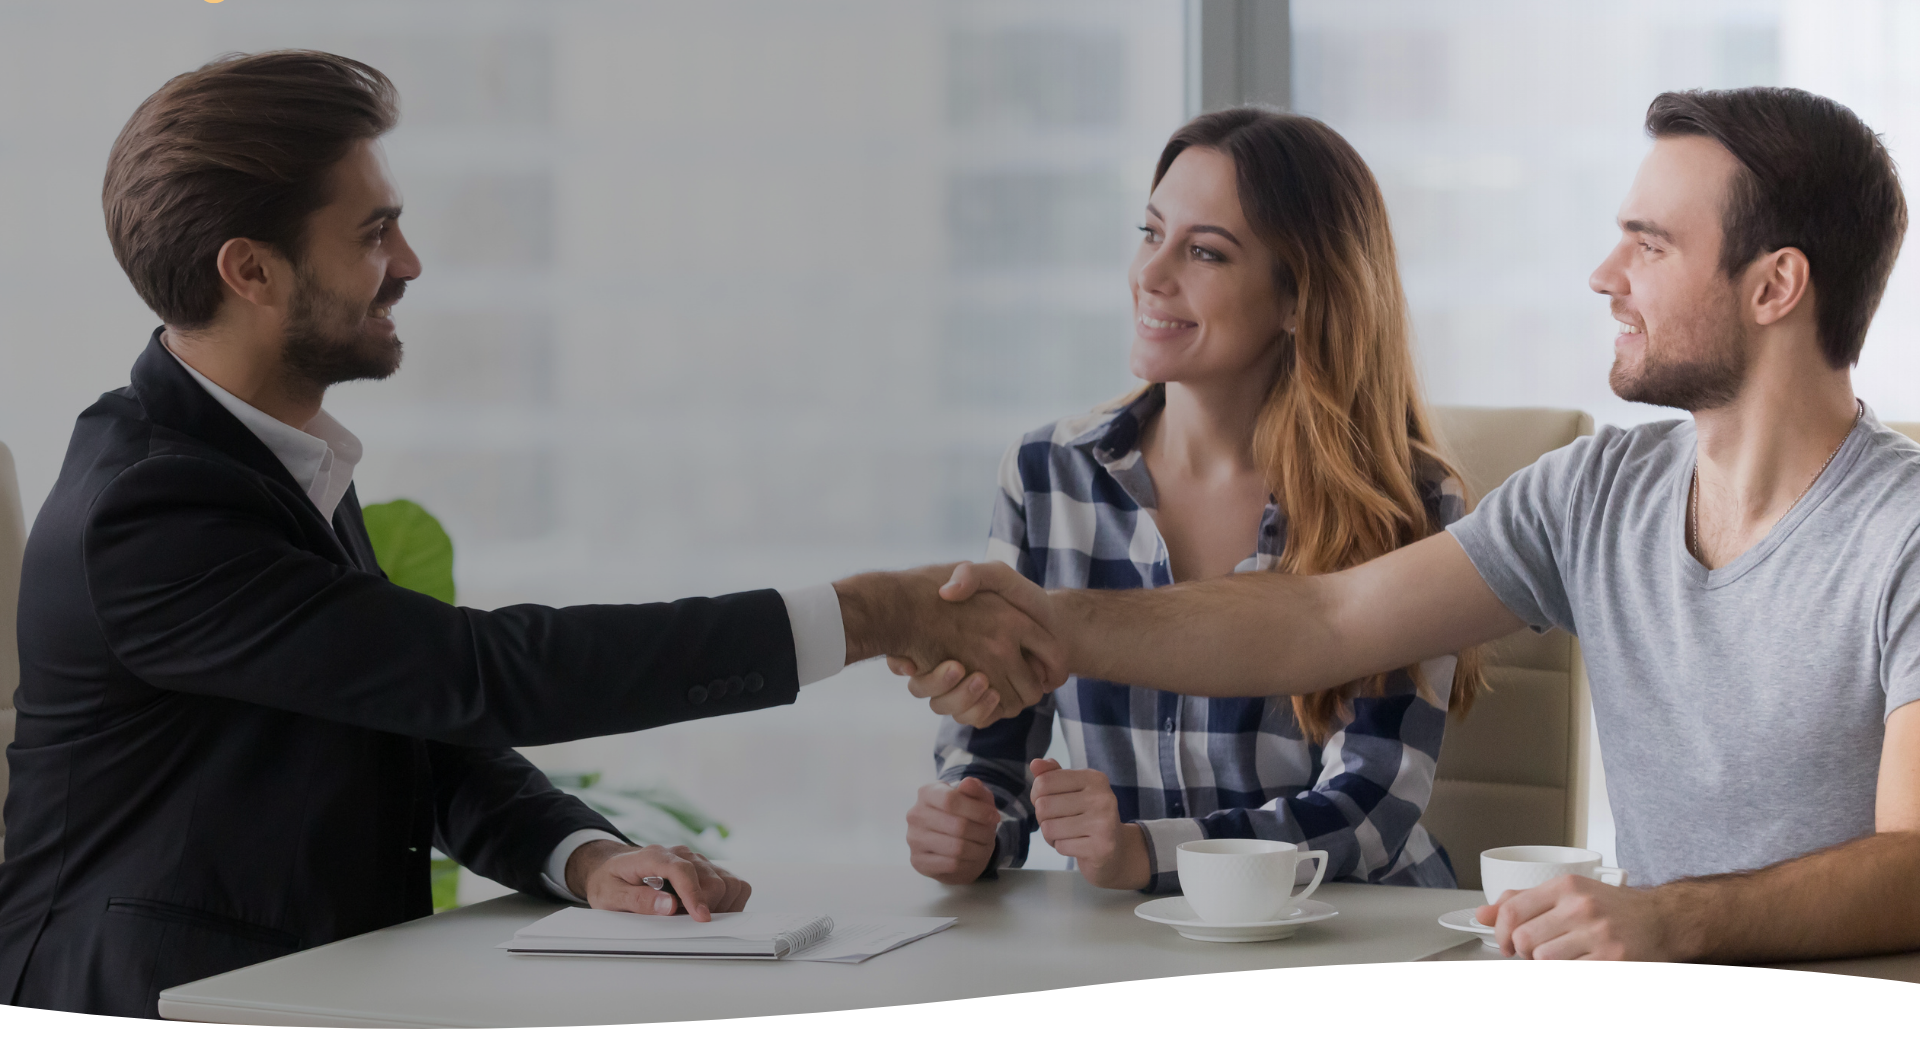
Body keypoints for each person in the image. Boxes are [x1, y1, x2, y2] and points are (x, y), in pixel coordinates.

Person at [0, 51, 1063, 1017]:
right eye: (372, 231)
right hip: (145, 1011)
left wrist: (584, 854)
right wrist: (871, 611)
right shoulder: (151, 509)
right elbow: (481, 673)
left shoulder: (266, 452)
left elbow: (411, 717)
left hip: (288, 996)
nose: (409, 260)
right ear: (251, 270)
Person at [914, 86, 1920, 964]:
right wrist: (1046, 622)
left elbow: (1914, 863)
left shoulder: (1902, 529)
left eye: (1649, 244)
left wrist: (1671, 919)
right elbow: (1326, 620)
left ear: (1776, 284)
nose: (1605, 273)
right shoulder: (1595, 492)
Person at [902, 109, 1482, 895]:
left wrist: (1150, 852)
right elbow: (992, 743)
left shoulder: (1406, 505)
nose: (1152, 272)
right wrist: (973, 821)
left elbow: (1370, 807)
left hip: (1350, 936)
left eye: (1204, 251)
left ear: (1299, 298)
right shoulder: (1047, 476)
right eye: (1150, 233)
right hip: (1135, 948)